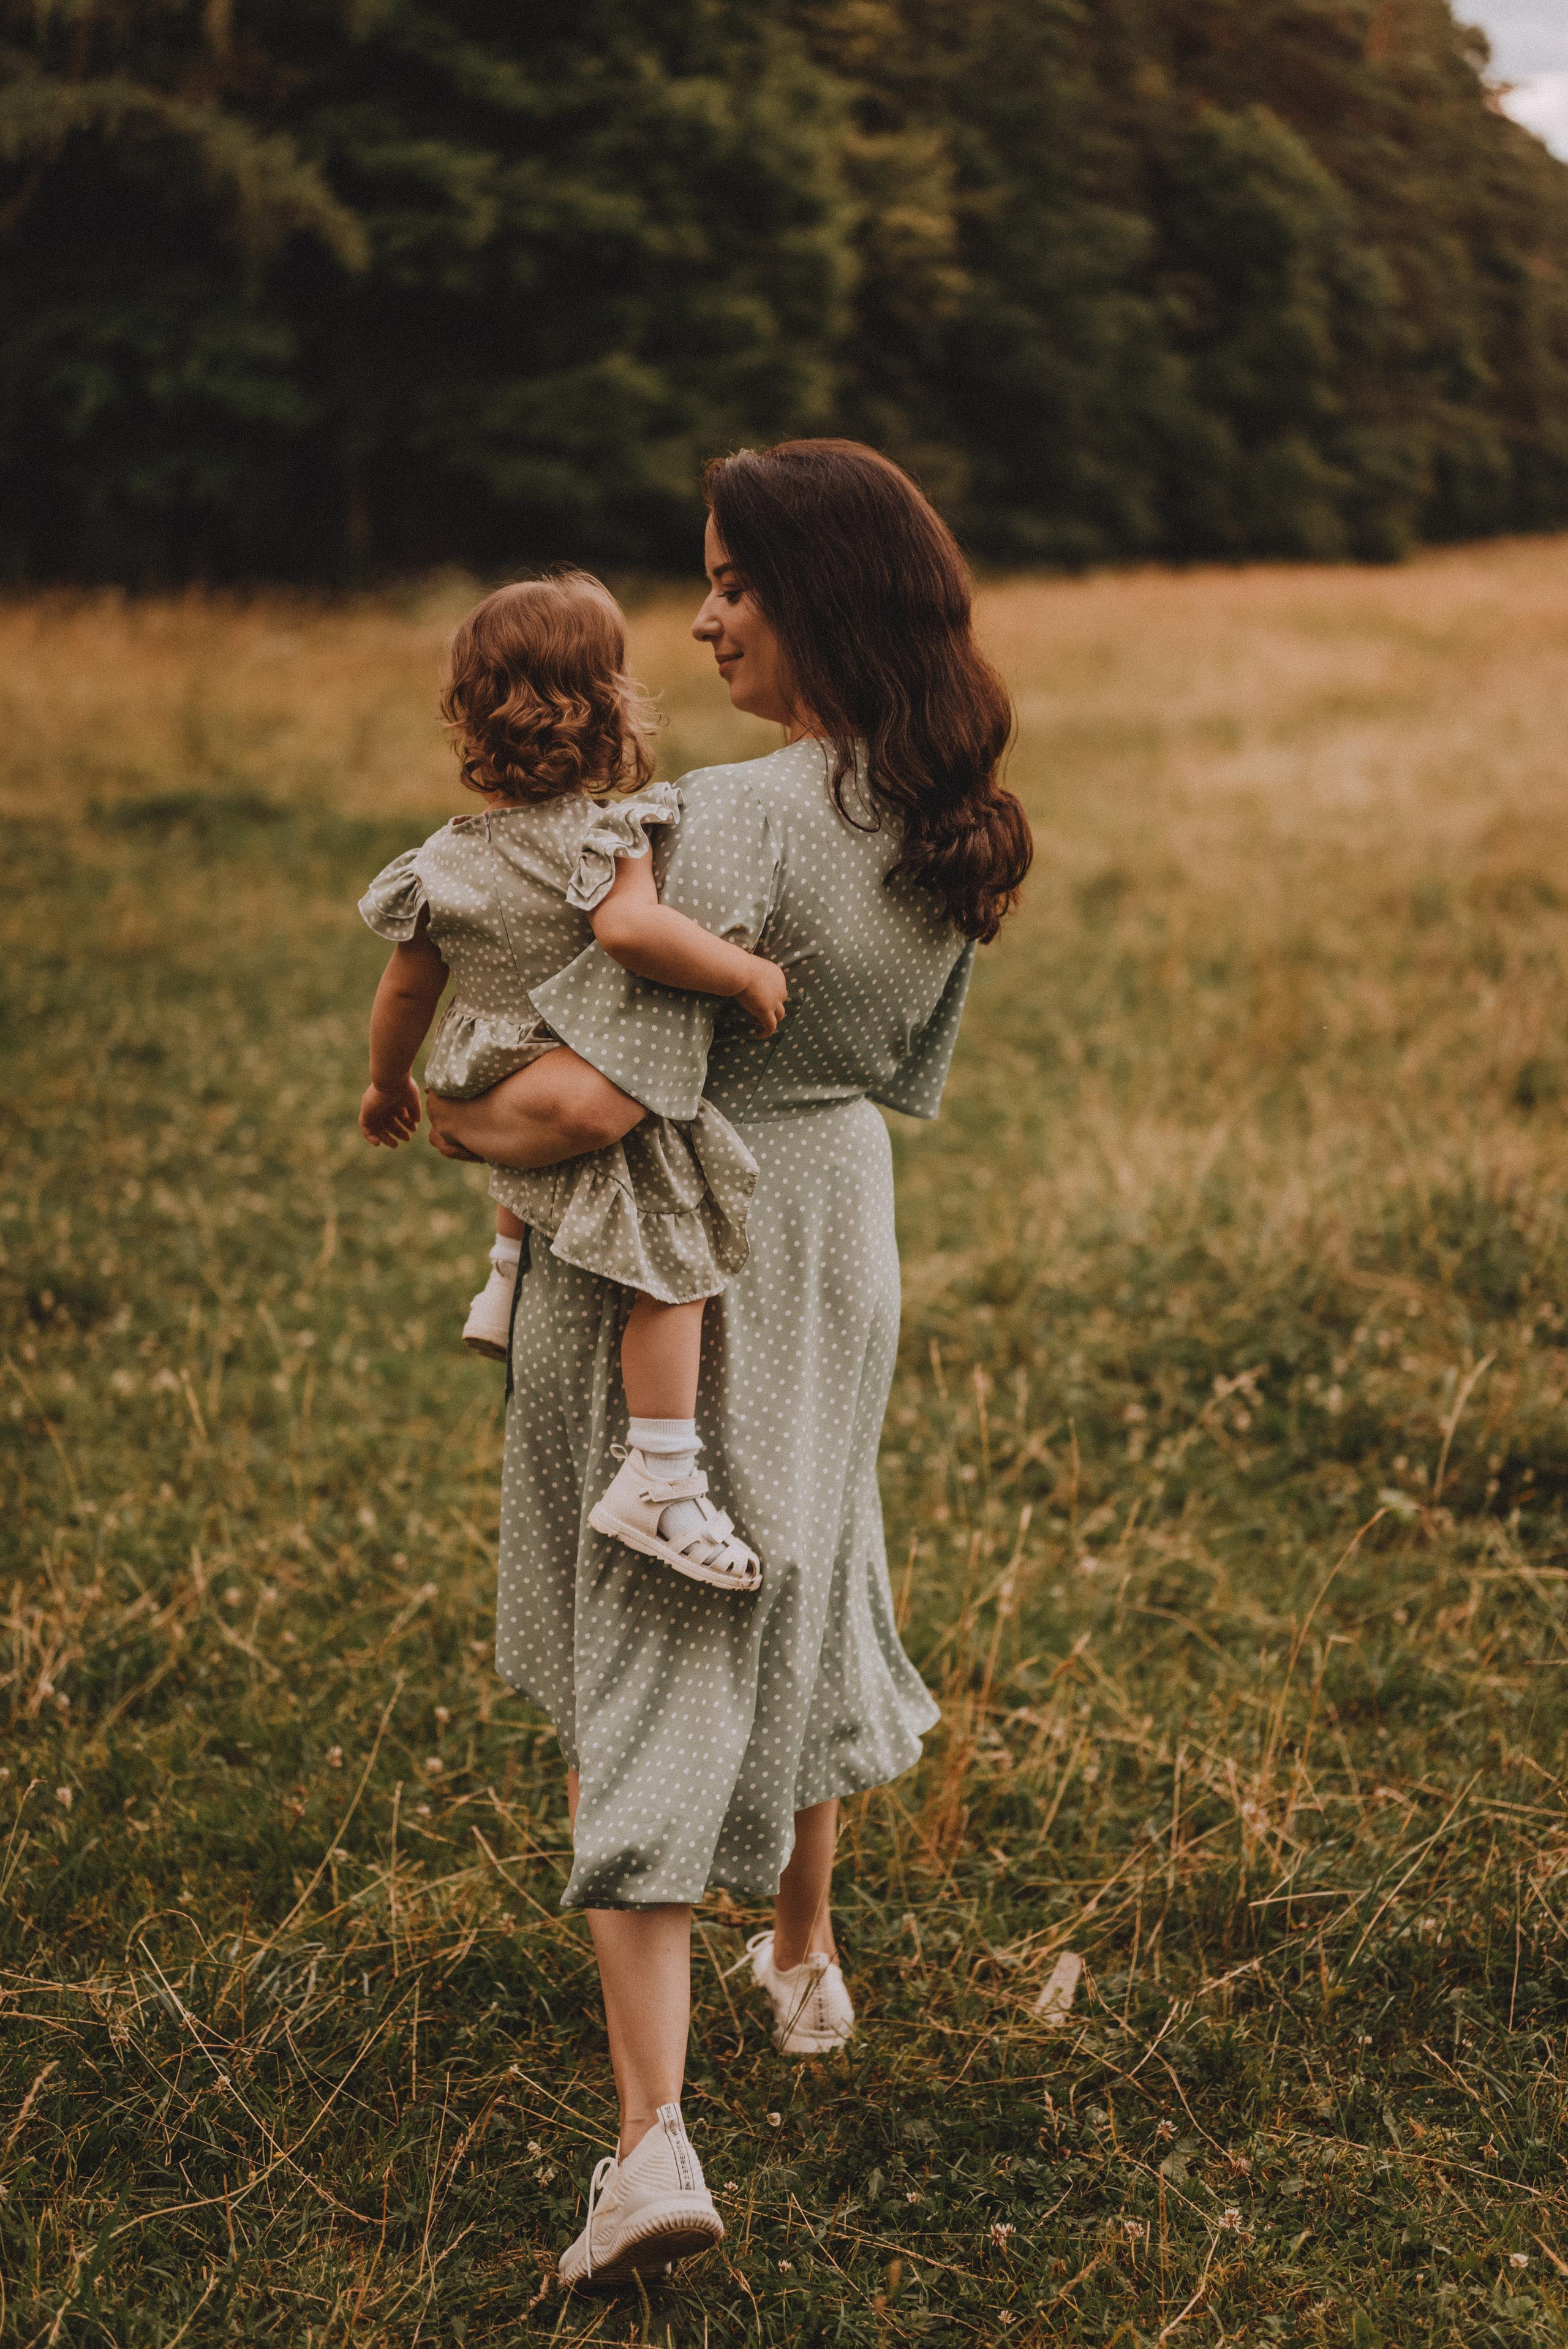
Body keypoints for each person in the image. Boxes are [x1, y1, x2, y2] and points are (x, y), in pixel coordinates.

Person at [427, 440, 1032, 2290]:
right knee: (816, 1562)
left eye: (733, 586)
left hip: (690, 1247)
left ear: (821, 596)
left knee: (667, 1632)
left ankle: (651, 2147)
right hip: (843, 1220)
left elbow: (588, 1100)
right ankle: (803, 1956)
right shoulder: (955, 822)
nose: (698, 620)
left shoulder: (729, 816)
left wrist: (448, 1122)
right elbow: (891, 1074)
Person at [358, 570, 789, 1591]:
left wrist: (387, 1084)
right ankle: (661, 1473)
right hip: (572, 1072)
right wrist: (741, 971)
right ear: (606, 706)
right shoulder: (607, 834)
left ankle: (503, 1280)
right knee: (673, 1266)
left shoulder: (440, 863)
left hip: (480, 1062)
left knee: (532, 1118)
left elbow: (404, 993)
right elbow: (631, 933)